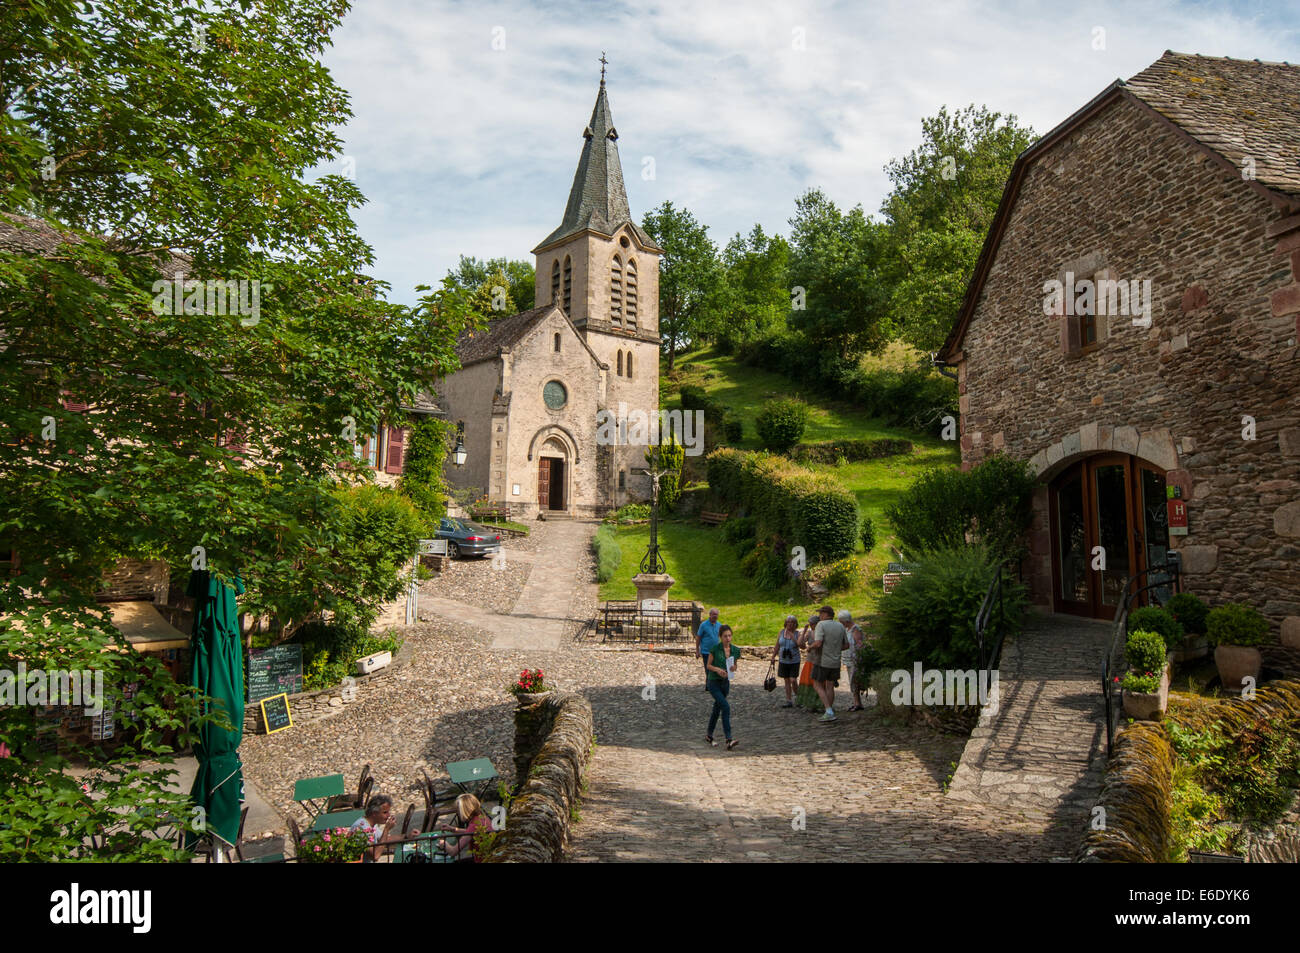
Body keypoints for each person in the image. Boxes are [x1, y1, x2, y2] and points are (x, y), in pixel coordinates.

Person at [809, 605, 849, 722]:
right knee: (830, 686)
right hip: (836, 662)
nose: (819, 616)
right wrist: (835, 649)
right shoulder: (840, 626)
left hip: (822, 661)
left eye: (821, 613)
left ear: (826, 614)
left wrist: (809, 647)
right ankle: (829, 711)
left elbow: (818, 643)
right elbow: (846, 645)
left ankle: (828, 710)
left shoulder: (821, 625)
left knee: (817, 684)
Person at [705, 624, 741, 750]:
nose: (728, 638)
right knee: (725, 706)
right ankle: (728, 738)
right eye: (725, 636)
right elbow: (708, 665)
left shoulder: (735, 650)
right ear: (720, 637)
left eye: (729, 636)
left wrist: (733, 668)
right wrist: (717, 670)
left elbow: (735, 665)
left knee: (717, 708)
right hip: (714, 682)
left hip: (725, 683)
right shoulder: (715, 649)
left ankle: (709, 734)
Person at [349, 793, 403, 862]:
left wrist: (407, 836)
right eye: (385, 812)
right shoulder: (361, 827)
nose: (388, 815)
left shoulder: (372, 824)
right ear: (374, 813)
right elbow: (375, 856)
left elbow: (385, 839)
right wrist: (386, 829)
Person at [440, 794, 493, 862]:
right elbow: (471, 833)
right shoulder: (483, 817)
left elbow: (453, 852)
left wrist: (443, 843)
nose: (457, 813)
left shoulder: (474, 825)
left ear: (464, 811)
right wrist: (453, 829)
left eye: (458, 811)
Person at [770, 614, 801, 708]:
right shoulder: (781, 632)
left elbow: (800, 645)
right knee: (786, 680)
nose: (790, 624)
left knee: (793, 679)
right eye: (788, 622)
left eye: (792, 622)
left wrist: (793, 638)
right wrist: (773, 657)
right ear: (785, 623)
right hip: (783, 660)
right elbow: (777, 645)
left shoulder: (797, 633)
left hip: (794, 660)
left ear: (795, 624)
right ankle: (788, 700)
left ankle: (799, 697)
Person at [796, 612, 822, 710]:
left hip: (818, 660)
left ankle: (817, 702)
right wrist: (804, 632)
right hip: (810, 660)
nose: (811, 625)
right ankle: (807, 702)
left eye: (812, 624)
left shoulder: (820, 632)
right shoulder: (810, 632)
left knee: (817, 682)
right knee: (807, 681)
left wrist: (810, 646)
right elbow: (800, 644)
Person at [842, 611, 867, 711]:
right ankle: (857, 702)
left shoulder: (855, 629)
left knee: (854, 680)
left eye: (841, 621)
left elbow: (859, 644)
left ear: (845, 621)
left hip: (855, 659)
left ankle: (857, 703)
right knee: (852, 680)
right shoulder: (847, 629)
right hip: (848, 659)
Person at [696, 607, 721, 692]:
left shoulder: (719, 625)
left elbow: (720, 637)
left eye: (716, 615)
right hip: (706, 651)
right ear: (710, 615)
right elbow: (698, 637)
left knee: (715, 668)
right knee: (708, 669)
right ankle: (709, 685)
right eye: (714, 614)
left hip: (716, 652)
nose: (715, 616)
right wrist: (697, 650)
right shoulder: (704, 625)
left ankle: (711, 685)